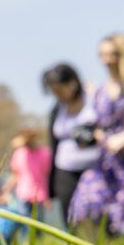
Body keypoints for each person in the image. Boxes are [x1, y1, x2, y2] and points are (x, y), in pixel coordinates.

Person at [67, 33, 124, 240]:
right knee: (89, 197)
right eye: (102, 55)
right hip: (106, 161)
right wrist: (96, 136)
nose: (106, 60)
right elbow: (99, 125)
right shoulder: (99, 89)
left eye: (112, 55)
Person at [42, 63, 100, 223]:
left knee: (94, 211)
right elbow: (53, 143)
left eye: (60, 90)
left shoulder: (94, 98)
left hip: (94, 165)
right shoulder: (57, 109)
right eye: (54, 92)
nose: (58, 95)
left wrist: (91, 137)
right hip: (65, 168)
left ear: (72, 82)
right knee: (69, 212)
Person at [6, 128, 56, 228]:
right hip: (23, 195)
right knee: (23, 225)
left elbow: (48, 175)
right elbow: (15, 175)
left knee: (38, 226)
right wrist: (5, 190)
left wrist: (48, 197)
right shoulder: (19, 153)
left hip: (39, 195)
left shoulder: (45, 153)